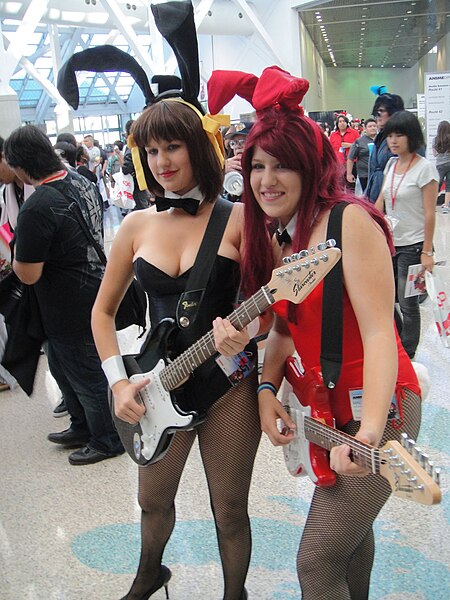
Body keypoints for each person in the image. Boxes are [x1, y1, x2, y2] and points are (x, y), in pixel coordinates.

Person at [234, 66, 422, 599]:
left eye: (281, 166)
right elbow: (288, 330)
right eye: (257, 166)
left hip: (380, 407)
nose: (266, 181)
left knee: (316, 558)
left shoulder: (348, 222)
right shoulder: (285, 234)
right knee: (350, 541)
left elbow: (382, 335)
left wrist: (366, 433)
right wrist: (268, 388)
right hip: (325, 405)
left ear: (311, 166)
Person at [91, 99, 270, 600]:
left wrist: (248, 330)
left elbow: (273, 308)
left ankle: (236, 594)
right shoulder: (135, 226)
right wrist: (117, 380)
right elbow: (101, 314)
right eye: (151, 151)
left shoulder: (239, 219)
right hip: (156, 383)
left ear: (198, 148)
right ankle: (149, 574)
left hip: (228, 384)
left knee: (230, 507)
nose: (162, 161)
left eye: (173, 147)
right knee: (152, 499)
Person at [4, 125, 124, 465]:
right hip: (92, 288)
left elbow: (28, 272)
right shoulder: (80, 180)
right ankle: (82, 425)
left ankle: (108, 438)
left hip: (65, 303)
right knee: (66, 366)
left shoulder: (37, 206)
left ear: (22, 166)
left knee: (84, 372)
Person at [375, 111, 438, 358]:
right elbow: (381, 200)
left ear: (411, 136)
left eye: (399, 134)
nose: (393, 140)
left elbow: (430, 213)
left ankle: (407, 352)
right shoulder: (391, 164)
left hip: (413, 245)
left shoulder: (425, 169)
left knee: (408, 301)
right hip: (390, 243)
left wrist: (427, 251)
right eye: (390, 135)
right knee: (385, 295)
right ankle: (398, 340)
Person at [365, 92, 405, 202]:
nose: (377, 116)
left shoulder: (405, 137)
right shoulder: (380, 137)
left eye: (381, 111)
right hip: (376, 195)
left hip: (395, 200)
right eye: (376, 112)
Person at [346, 117, 377, 193]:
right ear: (365, 128)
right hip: (365, 174)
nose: (372, 128)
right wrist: (349, 174)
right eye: (370, 126)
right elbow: (350, 158)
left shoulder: (382, 140)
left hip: (378, 174)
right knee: (367, 196)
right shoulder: (359, 141)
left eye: (374, 126)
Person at [433, 120, 450, 213]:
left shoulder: (435, 139)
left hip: (440, 165)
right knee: (449, 185)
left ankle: (432, 206)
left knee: (437, 185)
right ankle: (446, 206)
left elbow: (435, 154)